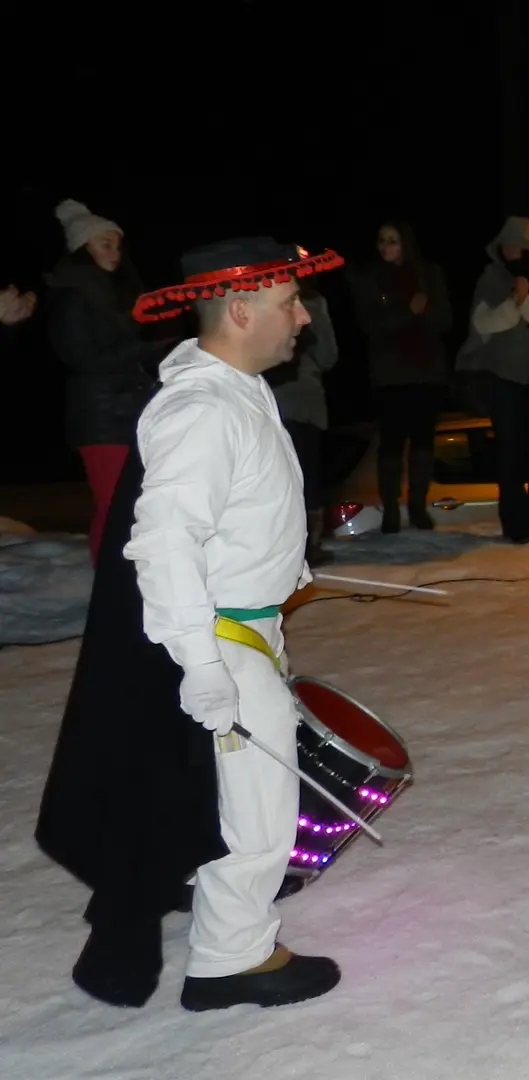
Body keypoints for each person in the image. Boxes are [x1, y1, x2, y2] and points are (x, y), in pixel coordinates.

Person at [38, 237, 345, 1010]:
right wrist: (203, 666)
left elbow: (231, 517)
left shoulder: (235, 390)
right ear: (241, 311)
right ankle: (229, 961)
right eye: (288, 304)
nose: (302, 318)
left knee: (246, 802)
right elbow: (163, 540)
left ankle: (229, 945)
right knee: (258, 814)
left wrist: (279, 570)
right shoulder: (203, 407)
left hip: (243, 633)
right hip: (220, 644)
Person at [45, 199, 170, 563]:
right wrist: (145, 349)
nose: (115, 252)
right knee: (114, 504)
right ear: (84, 247)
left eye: (117, 244)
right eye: (105, 244)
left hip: (130, 409)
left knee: (134, 503)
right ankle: (109, 582)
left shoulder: (117, 294)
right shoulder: (72, 296)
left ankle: (126, 579)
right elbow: (83, 358)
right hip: (98, 416)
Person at [455, 216, 529, 544]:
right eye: (506, 243)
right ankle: (515, 526)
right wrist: (513, 302)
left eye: (518, 243)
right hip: (503, 376)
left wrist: (527, 300)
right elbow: (482, 324)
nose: (511, 250)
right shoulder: (490, 278)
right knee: (508, 451)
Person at [349, 220, 453, 532]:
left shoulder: (428, 274)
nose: (386, 247)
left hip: (425, 373)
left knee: (423, 443)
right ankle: (391, 509)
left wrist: (425, 310)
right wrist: (408, 311)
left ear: (405, 243)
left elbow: (445, 319)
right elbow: (369, 323)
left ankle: (418, 507)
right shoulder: (371, 278)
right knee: (391, 445)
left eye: (392, 240)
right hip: (390, 375)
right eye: (382, 240)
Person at [267, 283, 338, 565]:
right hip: (296, 400)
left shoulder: (264, 293)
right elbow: (328, 356)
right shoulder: (312, 302)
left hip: (274, 400)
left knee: (281, 477)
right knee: (304, 475)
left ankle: (289, 546)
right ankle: (305, 546)